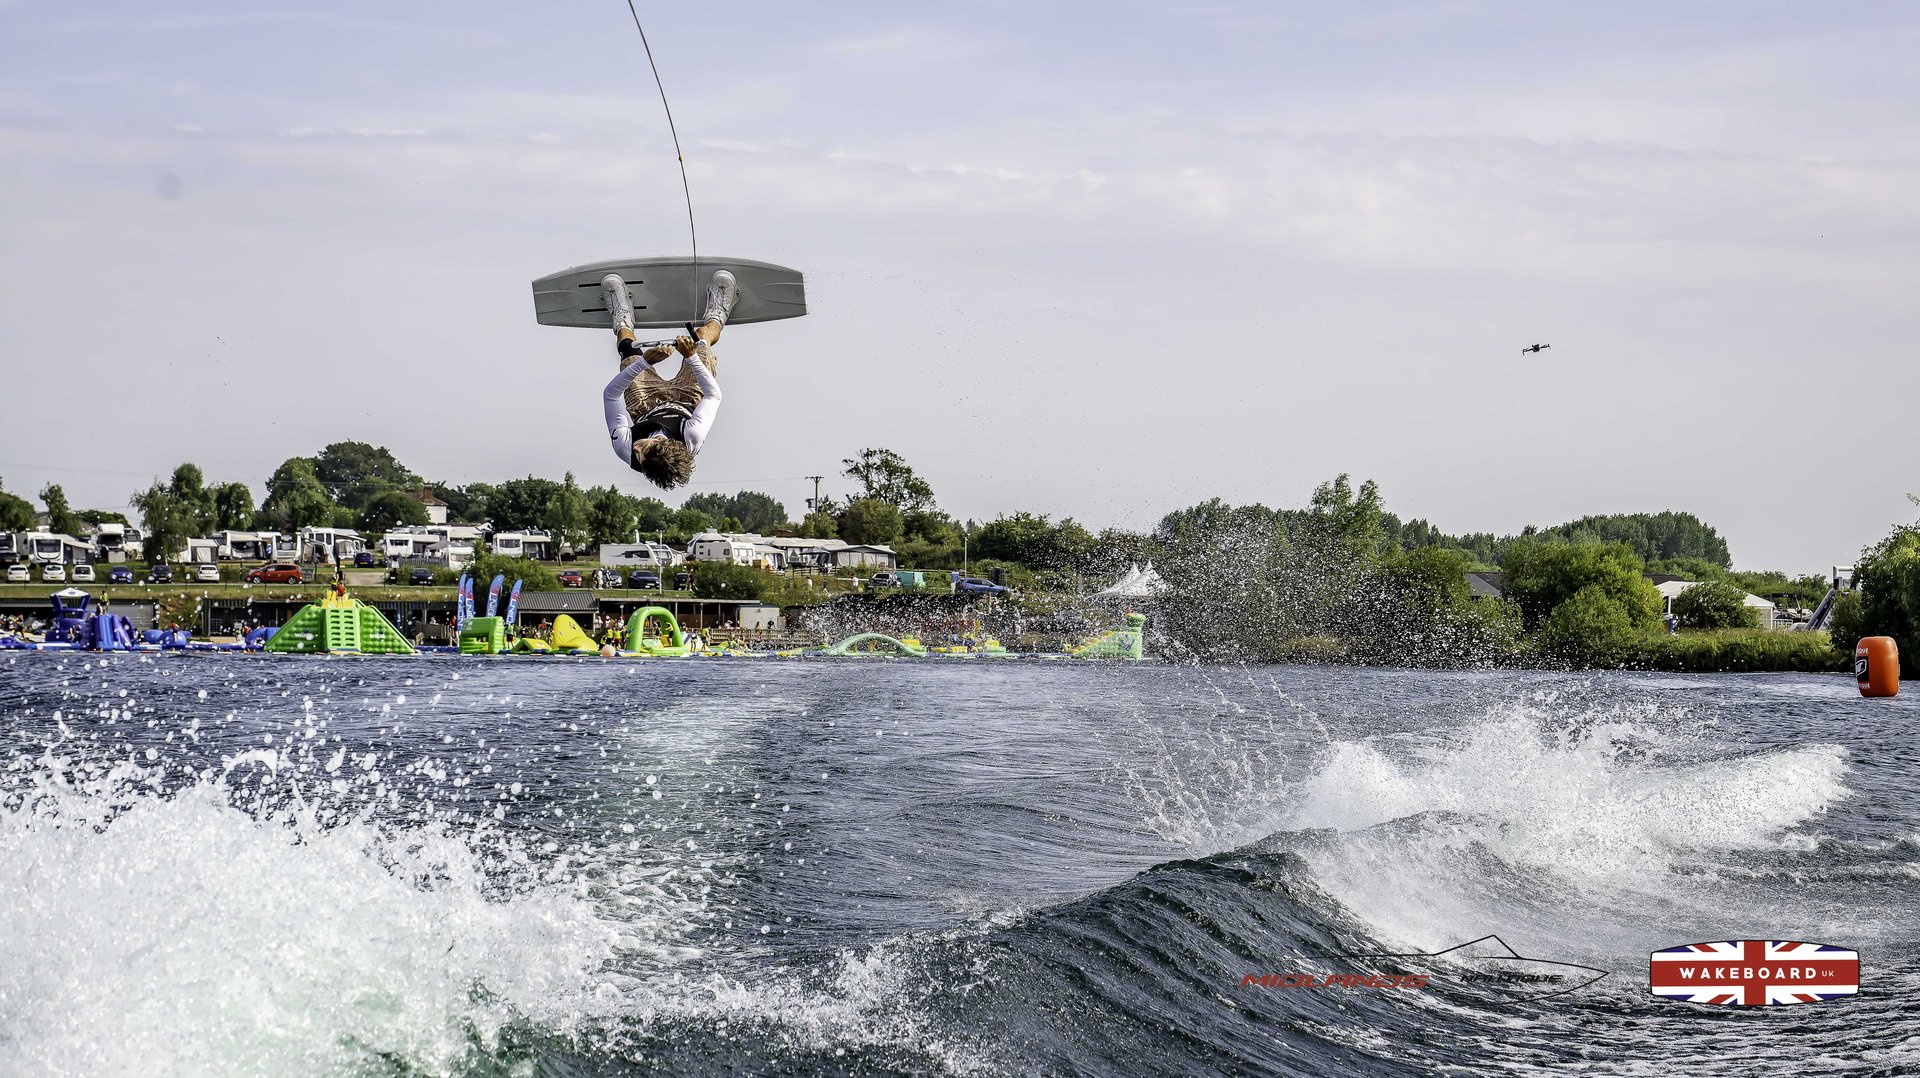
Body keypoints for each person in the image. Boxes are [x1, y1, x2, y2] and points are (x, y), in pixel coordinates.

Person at [600, 269, 737, 489]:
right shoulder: (692, 436)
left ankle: (622, 319)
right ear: (660, 443)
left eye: (639, 457)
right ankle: (717, 315)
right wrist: (691, 356)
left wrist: (644, 362)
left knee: (628, 352)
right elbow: (714, 395)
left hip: (646, 407)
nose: (636, 450)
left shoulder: (625, 449)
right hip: (687, 401)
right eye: (643, 449)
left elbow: (610, 395)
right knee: (700, 340)